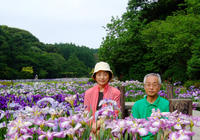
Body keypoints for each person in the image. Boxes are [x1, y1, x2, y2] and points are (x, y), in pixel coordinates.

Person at [84, 61, 121, 134]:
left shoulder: (115, 92)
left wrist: (99, 123)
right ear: (95, 77)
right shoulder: (88, 92)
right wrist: (92, 127)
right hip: (91, 128)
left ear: (109, 76)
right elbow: (86, 112)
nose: (102, 77)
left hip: (109, 128)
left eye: (105, 74)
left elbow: (115, 112)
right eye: (99, 75)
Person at [131, 73, 169, 140]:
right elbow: (134, 127)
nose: (151, 88)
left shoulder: (166, 104)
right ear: (144, 86)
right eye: (148, 85)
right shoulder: (137, 105)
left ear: (159, 87)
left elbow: (167, 127)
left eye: (154, 85)